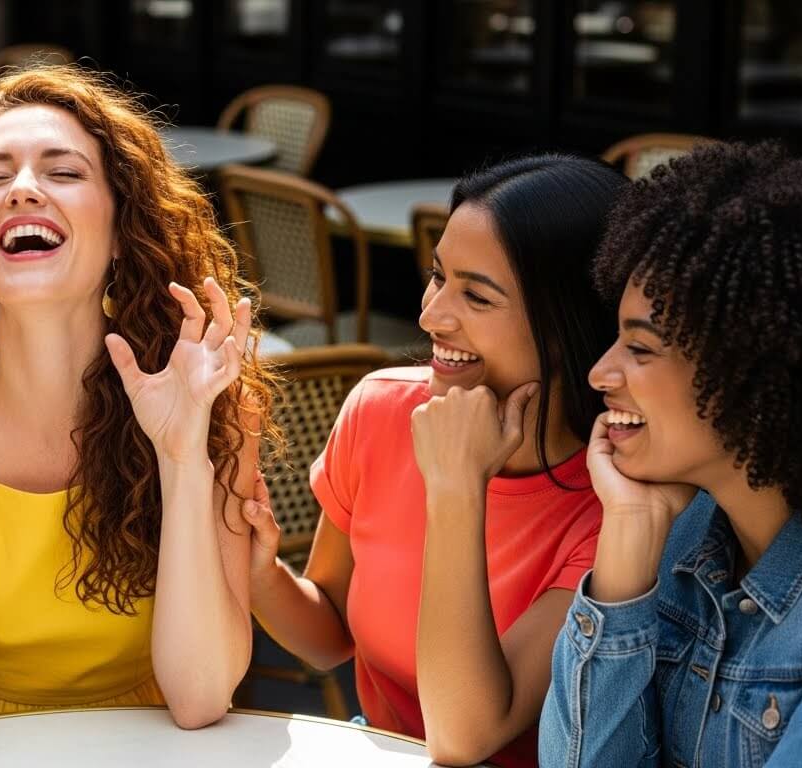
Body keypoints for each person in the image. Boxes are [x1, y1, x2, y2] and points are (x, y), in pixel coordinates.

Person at [0, 65, 277, 739]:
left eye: (64, 173)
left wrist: (181, 455)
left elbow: (200, 696)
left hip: (142, 745)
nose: (21, 190)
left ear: (121, 230)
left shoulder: (208, 402)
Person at [242, 155, 628, 767]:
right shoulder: (381, 410)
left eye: (476, 295)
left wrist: (456, 487)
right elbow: (329, 638)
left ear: (570, 323)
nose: (431, 315)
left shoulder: (617, 501)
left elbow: (467, 733)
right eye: (437, 276)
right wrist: (261, 572)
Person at [540, 142, 802, 766]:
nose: (600, 373)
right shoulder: (679, 536)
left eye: (641, 348)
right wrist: (629, 536)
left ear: (755, 371)